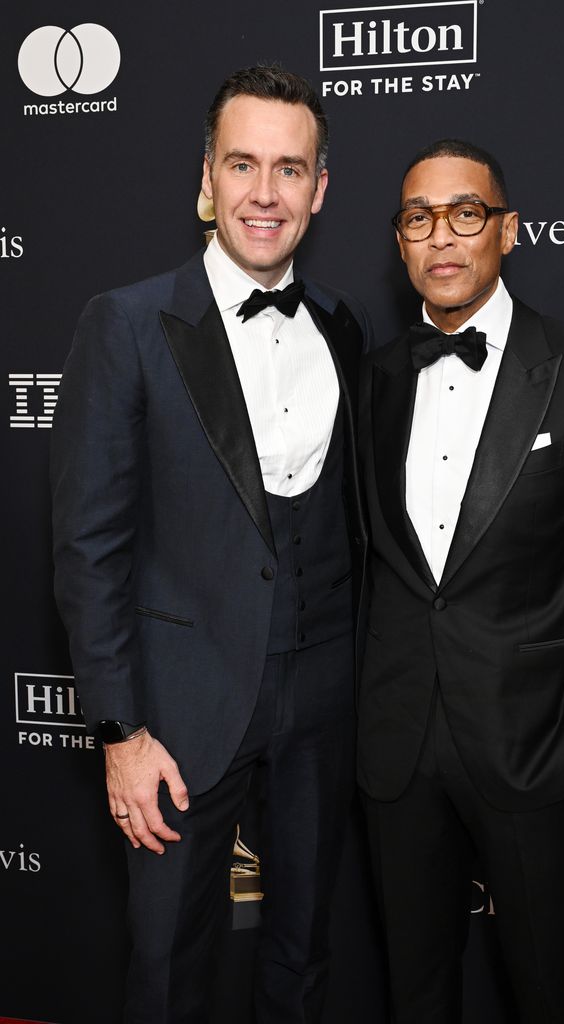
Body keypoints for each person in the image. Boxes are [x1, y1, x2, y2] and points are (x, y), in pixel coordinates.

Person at [50, 65, 371, 1024]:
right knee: (168, 963)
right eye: (242, 165)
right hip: (180, 713)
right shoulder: (128, 323)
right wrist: (120, 731)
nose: (263, 193)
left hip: (323, 694)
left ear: (319, 189)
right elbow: (89, 546)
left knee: (304, 950)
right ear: (207, 177)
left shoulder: (341, 325)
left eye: (288, 168)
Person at [357, 139, 564, 1023]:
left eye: (467, 213)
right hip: (395, 746)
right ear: (400, 243)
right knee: (414, 992)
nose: (442, 237)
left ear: (509, 230)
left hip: (532, 744)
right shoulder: (373, 380)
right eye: (418, 218)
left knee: (547, 990)